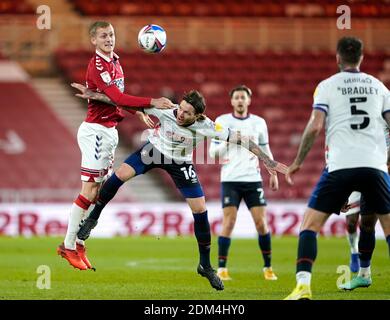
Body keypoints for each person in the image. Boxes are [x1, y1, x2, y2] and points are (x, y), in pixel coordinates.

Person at [71, 85, 288, 290]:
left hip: (180, 163)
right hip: (153, 151)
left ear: (198, 116)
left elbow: (242, 140)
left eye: (186, 113)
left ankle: (205, 265)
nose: (180, 114)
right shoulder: (167, 109)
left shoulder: (207, 126)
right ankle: (93, 218)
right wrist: (93, 94)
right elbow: (123, 101)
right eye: (181, 109)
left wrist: (268, 162)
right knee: (118, 176)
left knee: (201, 211)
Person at [57, 21, 174, 271]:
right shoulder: (97, 65)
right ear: (94, 41)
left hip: (109, 132)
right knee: (89, 191)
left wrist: (138, 112)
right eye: (103, 36)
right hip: (96, 132)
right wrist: (151, 103)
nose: (109, 39)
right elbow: (118, 97)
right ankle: (68, 246)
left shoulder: (116, 62)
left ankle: (78, 244)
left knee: (97, 193)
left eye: (111, 34)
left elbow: (114, 101)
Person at [283, 36, 390, 300]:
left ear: (338, 58)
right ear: (362, 58)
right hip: (375, 166)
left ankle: (303, 286)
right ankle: (361, 272)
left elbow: (316, 126)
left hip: (341, 165)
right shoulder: (380, 88)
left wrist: (297, 162)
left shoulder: (327, 86)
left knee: (309, 225)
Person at [208, 85, 278, 281]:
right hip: (230, 179)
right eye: (236, 97)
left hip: (252, 179)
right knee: (228, 222)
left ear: (249, 101)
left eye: (243, 97)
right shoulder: (222, 122)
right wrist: (230, 141)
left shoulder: (259, 123)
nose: (240, 100)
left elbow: (265, 149)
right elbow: (212, 154)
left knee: (261, 223)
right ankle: (222, 269)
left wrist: (272, 172)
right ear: (231, 101)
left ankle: (268, 268)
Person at [340, 191, 361, 273]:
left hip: (372, 183)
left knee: (367, 224)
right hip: (355, 188)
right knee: (351, 223)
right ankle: (354, 251)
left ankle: (365, 259)